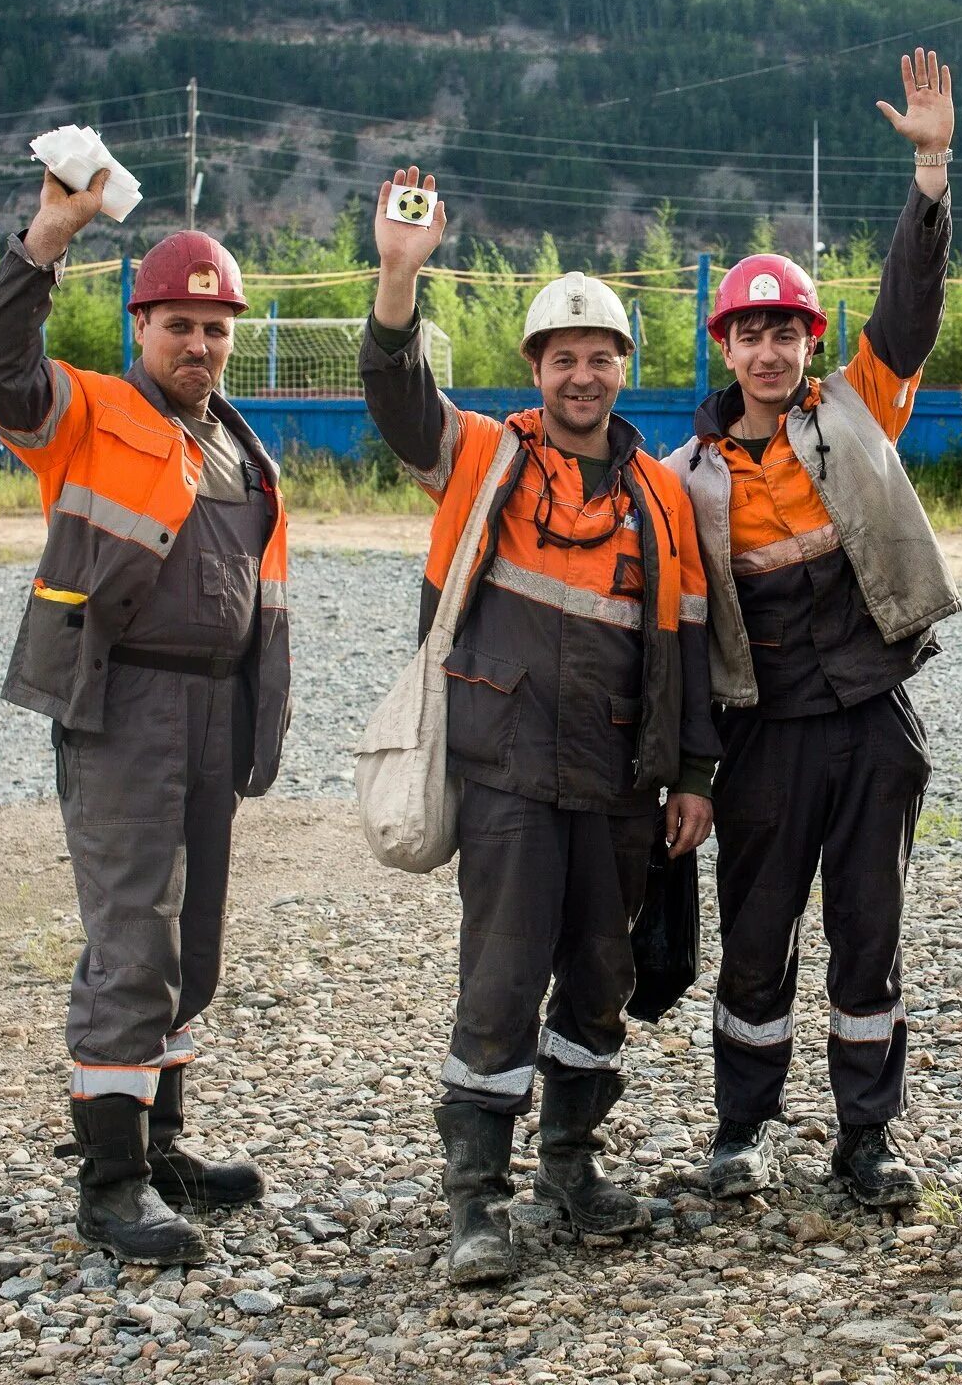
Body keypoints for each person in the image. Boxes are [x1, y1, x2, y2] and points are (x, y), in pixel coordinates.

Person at [360, 168, 719, 1285]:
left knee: (600, 979)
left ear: (625, 368)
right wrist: (399, 276)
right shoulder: (482, 458)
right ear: (535, 370)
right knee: (501, 982)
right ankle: (477, 1198)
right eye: (561, 355)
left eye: (600, 353)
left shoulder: (661, 494)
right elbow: (396, 395)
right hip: (507, 772)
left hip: (618, 780)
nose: (582, 371)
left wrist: (694, 773)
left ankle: (572, 1164)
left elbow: (692, 643)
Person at [0, 169, 287, 1265]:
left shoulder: (241, 445)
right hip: (125, 705)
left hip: (213, 713)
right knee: (132, 936)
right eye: (177, 323)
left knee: (192, 942)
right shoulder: (88, 415)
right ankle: (109, 1185)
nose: (198, 342)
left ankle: (163, 1149)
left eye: (214, 325)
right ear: (139, 323)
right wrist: (48, 236)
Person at [662, 50, 961, 1210]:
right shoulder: (685, 477)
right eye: (752, 333)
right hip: (764, 732)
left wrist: (928, 179)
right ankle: (742, 1131)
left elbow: (913, 308)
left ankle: (866, 1139)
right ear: (724, 347)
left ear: (809, 340)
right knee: (755, 935)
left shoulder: (857, 403)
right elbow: (681, 636)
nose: (773, 350)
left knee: (869, 937)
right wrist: (684, 768)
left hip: (874, 718)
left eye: (789, 330)